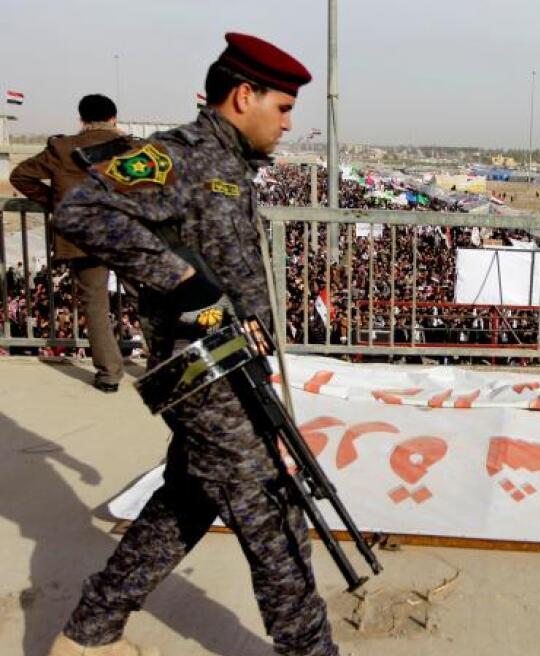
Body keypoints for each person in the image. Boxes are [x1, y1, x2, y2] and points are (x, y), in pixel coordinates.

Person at [47, 34, 337, 655]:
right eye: (283, 107)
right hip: (200, 373)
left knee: (187, 497)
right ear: (243, 95)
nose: (289, 122)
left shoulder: (230, 165)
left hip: (233, 366)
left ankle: (92, 626)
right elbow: (80, 212)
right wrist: (179, 279)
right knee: (272, 511)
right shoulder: (180, 157)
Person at [10, 94, 128, 392]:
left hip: (83, 237)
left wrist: (56, 202)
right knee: (149, 303)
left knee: (96, 305)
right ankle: (162, 368)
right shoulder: (131, 147)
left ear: (81, 120)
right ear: (114, 119)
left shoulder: (62, 148)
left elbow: (20, 175)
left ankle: (110, 375)